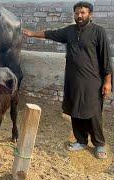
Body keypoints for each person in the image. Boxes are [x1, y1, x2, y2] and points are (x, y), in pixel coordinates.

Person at [23, 1, 112, 159]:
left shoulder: (99, 32)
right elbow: (51, 33)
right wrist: (31, 34)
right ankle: (81, 140)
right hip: (72, 80)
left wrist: (107, 82)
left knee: (93, 113)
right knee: (74, 110)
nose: (79, 15)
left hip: (92, 81)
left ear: (90, 14)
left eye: (83, 12)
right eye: (77, 12)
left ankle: (99, 144)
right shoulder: (70, 31)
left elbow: (105, 59)